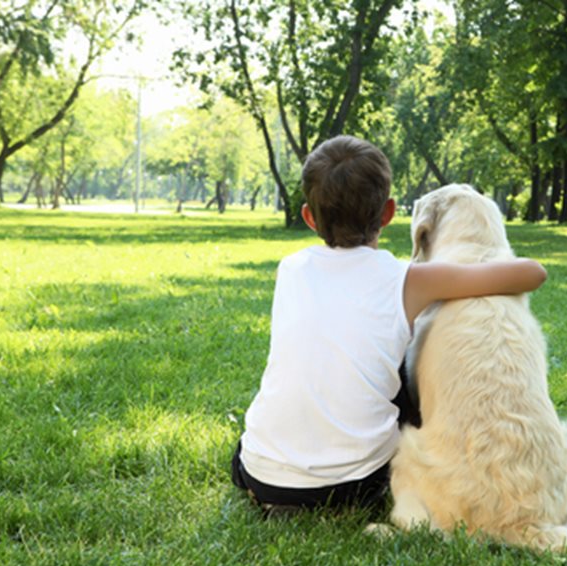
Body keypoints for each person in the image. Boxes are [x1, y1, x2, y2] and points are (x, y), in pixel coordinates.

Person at [231, 135, 547, 516]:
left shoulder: (290, 269)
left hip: (262, 476)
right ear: (388, 213)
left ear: (309, 217)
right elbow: (532, 273)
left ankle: (281, 487)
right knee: (404, 361)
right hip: (356, 486)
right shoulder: (407, 280)